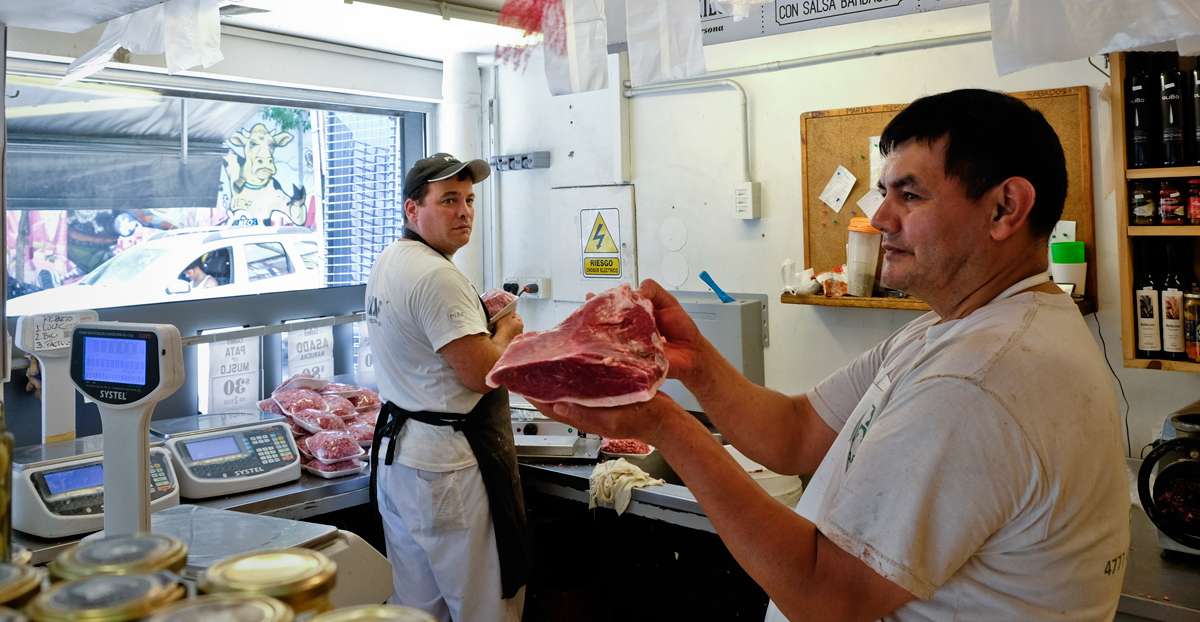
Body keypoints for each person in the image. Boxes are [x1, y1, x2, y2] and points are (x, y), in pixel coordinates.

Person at [534, 89, 1130, 621]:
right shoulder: (949, 330)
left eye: (910, 195)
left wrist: (662, 422)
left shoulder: (979, 377)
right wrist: (697, 362)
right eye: (883, 191)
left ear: (1005, 208)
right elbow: (794, 434)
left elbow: (829, 596)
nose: (879, 219)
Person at [365, 152, 532, 622]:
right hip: (446, 468)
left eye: (470, 199)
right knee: (484, 608)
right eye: (449, 200)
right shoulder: (438, 275)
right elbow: (480, 375)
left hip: (402, 459)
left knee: (419, 609)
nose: (465, 212)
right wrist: (508, 332)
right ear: (411, 209)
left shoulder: (391, 260)